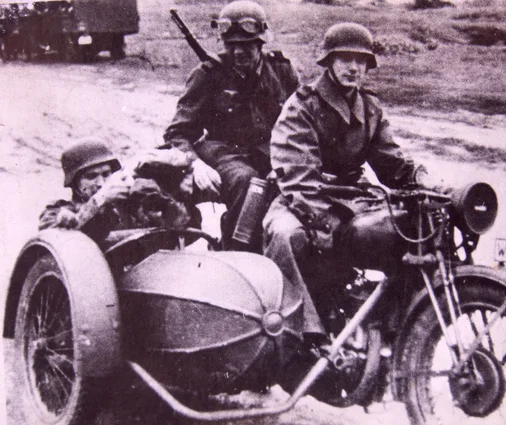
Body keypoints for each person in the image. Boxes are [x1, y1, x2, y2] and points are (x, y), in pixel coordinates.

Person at [262, 23, 421, 344]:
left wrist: (422, 179)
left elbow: (392, 163)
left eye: (361, 60)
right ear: (329, 61)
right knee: (286, 236)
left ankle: (395, 327)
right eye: (345, 58)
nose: (353, 67)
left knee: (405, 228)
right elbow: (297, 176)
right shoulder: (302, 105)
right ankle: (300, 334)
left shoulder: (371, 107)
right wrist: (319, 220)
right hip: (304, 198)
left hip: (354, 195)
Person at [163, 0, 300, 251]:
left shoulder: (281, 71)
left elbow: (300, 125)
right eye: (231, 45)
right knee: (247, 182)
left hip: (269, 151)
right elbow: (177, 132)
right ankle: (239, 253)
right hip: (224, 153)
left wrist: (289, 161)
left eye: (246, 45)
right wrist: (194, 164)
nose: (238, 52)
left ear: (260, 42)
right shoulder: (207, 74)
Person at [39, 138, 198, 242]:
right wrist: (100, 200)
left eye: (106, 174)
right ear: (75, 182)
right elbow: (56, 242)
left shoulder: (129, 206)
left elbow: (186, 228)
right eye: (91, 176)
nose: (101, 183)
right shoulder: (58, 211)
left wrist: (180, 189)